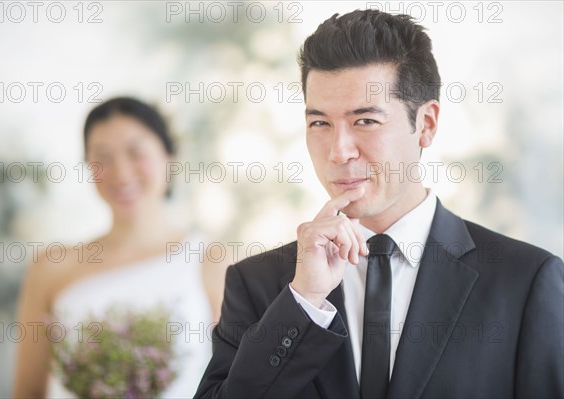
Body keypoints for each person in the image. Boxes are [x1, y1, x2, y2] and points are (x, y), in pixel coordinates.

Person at [195, 9, 564, 399]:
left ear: (426, 125)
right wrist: (304, 301)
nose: (339, 151)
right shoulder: (259, 285)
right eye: (320, 123)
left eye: (365, 121)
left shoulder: (525, 282)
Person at [13, 97, 226, 398]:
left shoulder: (211, 261)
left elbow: (239, 381)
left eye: (136, 152)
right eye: (102, 157)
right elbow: (27, 392)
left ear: (169, 156)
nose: (121, 172)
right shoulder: (51, 266)